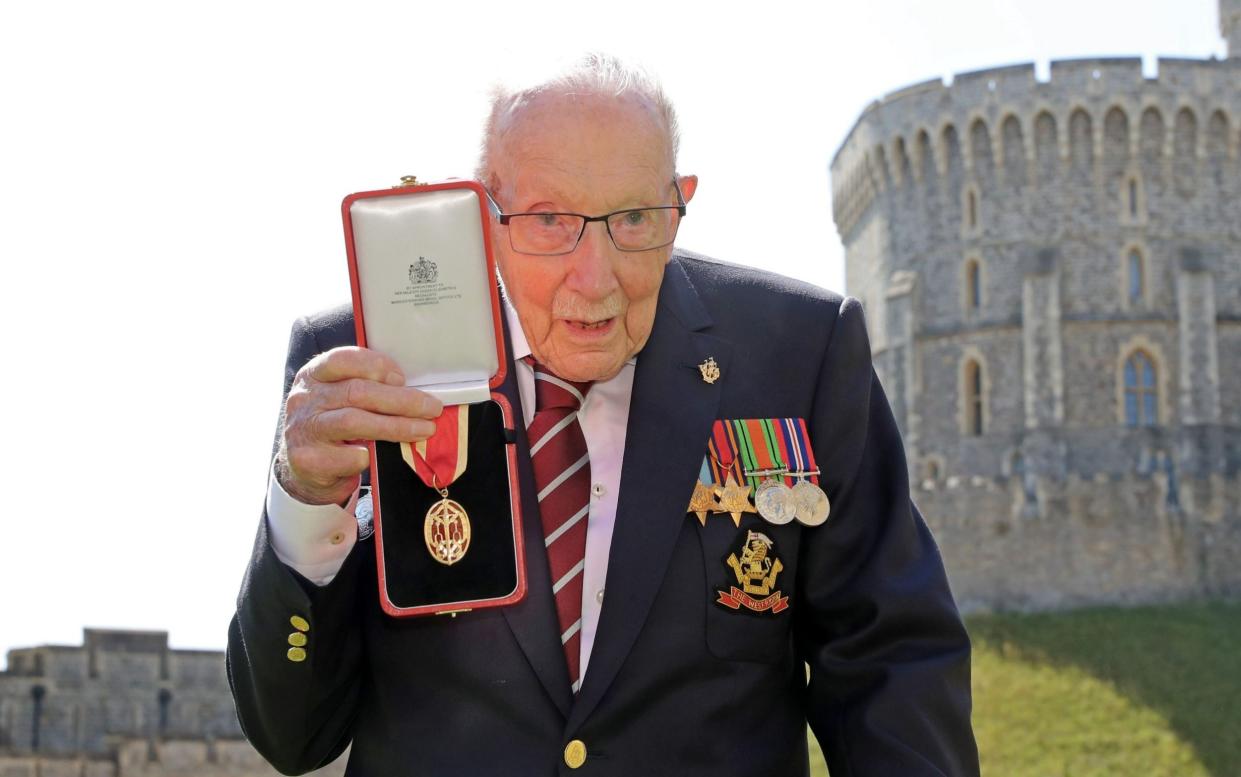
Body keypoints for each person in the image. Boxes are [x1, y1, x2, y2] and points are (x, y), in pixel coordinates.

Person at [227, 54, 980, 776]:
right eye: (549, 219)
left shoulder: (800, 354)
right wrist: (302, 505)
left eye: (633, 219)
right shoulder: (357, 363)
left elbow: (890, 661)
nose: (594, 278)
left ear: (679, 203)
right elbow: (293, 735)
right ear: (483, 213)